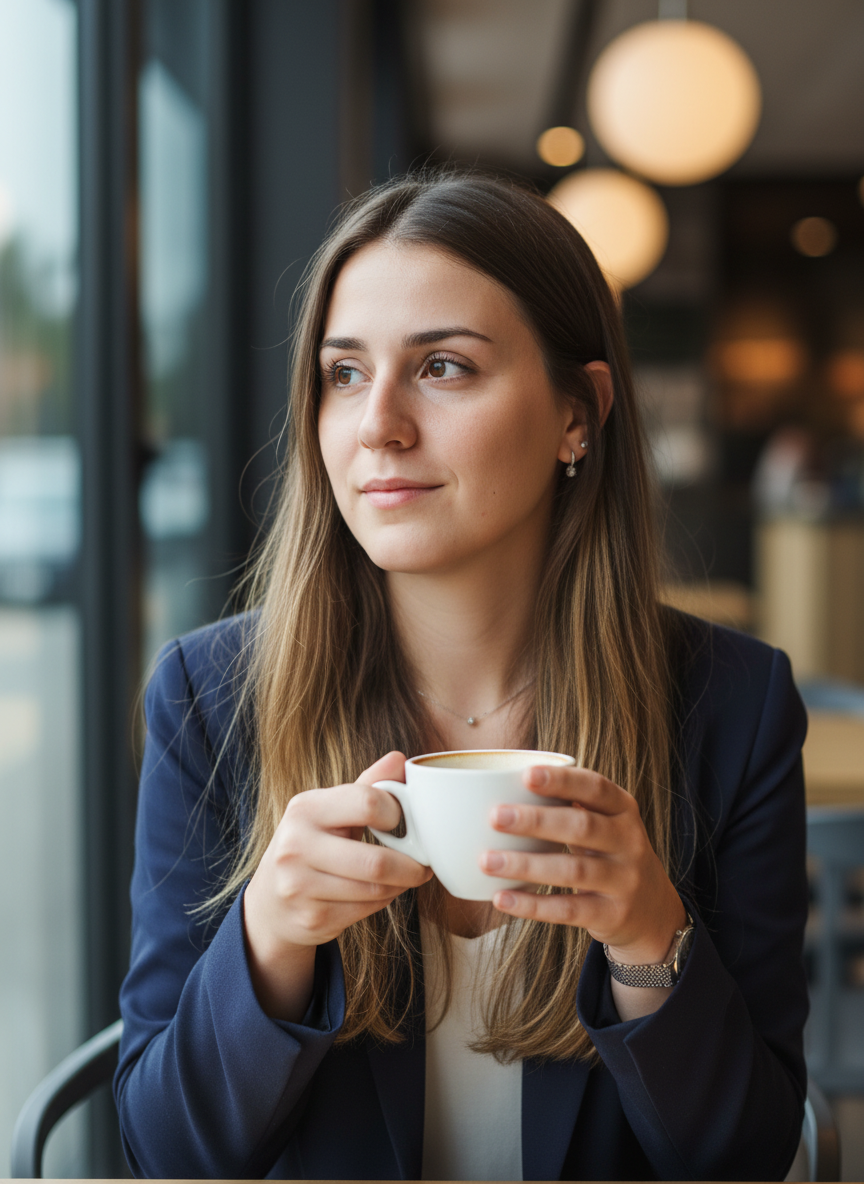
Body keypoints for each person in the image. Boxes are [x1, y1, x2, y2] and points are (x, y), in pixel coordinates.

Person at [115, 170, 809, 1181]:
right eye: (345, 373)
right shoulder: (210, 698)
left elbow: (747, 1157)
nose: (377, 424)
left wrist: (650, 937)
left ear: (579, 414)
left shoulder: (734, 707)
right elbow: (166, 1153)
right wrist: (269, 937)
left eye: (442, 366)